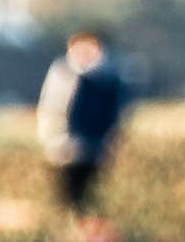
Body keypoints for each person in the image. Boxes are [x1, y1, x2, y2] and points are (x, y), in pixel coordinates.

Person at [36, 27, 130, 227]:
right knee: (67, 193)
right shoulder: (64, 73)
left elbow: (114, 114)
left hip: (93, 145)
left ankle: (80, 229)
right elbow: (52, 108)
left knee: (84, 192)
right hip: (63, 146)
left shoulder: (108, 78)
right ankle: (70, 229)